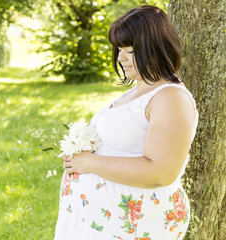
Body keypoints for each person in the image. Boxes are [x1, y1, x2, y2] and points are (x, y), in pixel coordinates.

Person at [54, 5, 198, 240]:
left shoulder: (171, 98)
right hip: (99, 221)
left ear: (154, 47)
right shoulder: (139, 91)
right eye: (119, 49)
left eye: (129, 50)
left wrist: (89, 163)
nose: (120, 58)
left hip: (132, 227)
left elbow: (160, 172)